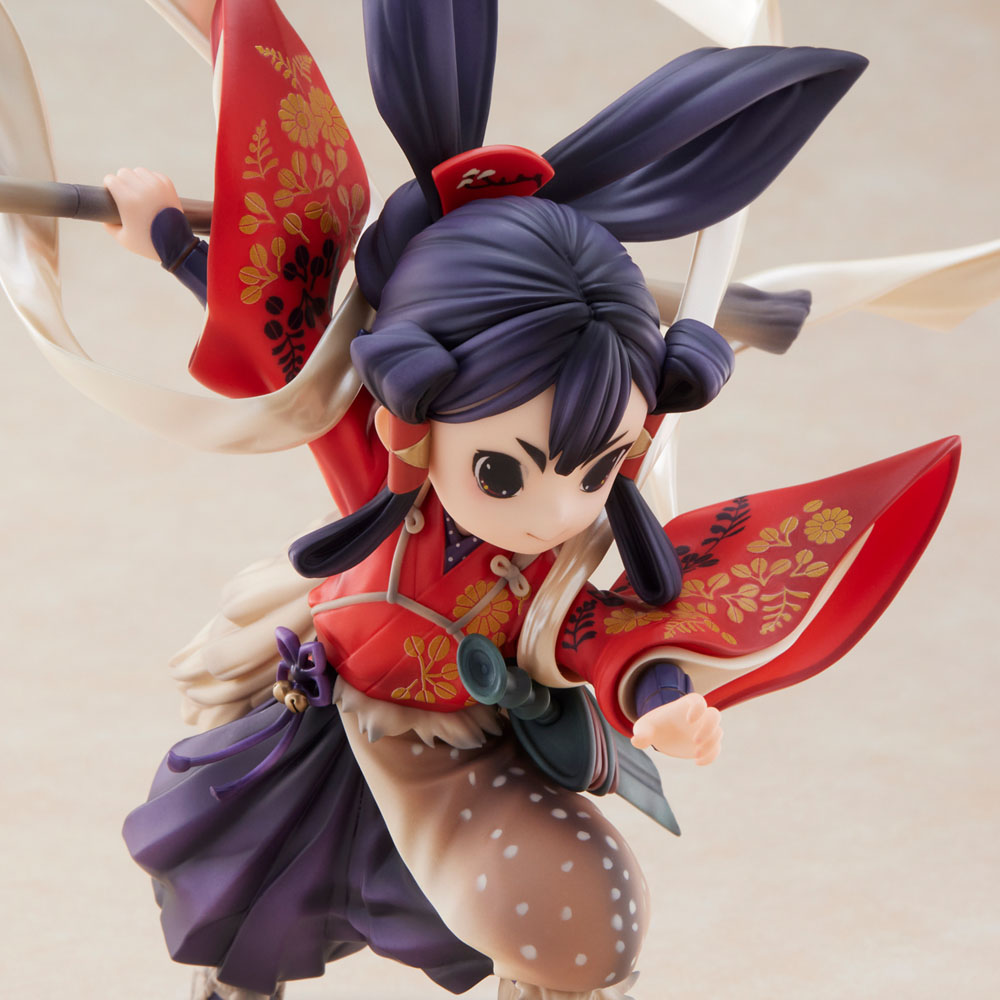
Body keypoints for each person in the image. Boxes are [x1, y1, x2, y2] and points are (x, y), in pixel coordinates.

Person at [107, 2, 959, 998]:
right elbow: (284, 344)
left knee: (577, 921)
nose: (557, 513)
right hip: (321, 713)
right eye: (506, 473)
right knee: (240, 890)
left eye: (593, 472)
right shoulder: (387, 457)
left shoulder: (555, 561)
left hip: (452, 759)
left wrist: (663, 703)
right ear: (415, 407)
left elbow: (601, 637)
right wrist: (168, 239)